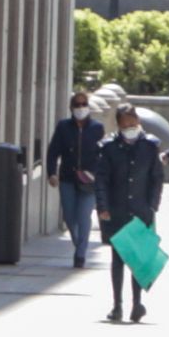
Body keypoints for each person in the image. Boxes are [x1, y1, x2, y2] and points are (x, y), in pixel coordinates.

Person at [89, 90, 169, 324]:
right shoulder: (110, 148)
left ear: (138, 122)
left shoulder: (149, 146)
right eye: (125, 125)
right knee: (118, 259)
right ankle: (117, 305)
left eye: (133, 124)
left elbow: (157, 177)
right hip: (117, 210)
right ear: (119, 126)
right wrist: (102, 206)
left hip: (141, 210)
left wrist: (153, 205)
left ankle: (137, 303)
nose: (130, 128)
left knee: (139, 260)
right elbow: (101, 179)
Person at [43, 87, 114, 269]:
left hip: (89, 181)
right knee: (69, 216)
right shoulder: (63, 127)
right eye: (77, 104)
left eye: (84, 104)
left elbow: (103, 155)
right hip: (67, 178)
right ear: (71, 107)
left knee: (84, 216)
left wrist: (101, 177)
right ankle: (78, 242)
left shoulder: (97, 128)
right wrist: (52, 173)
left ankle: (80, 254)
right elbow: (53, 152)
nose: (81, 107)